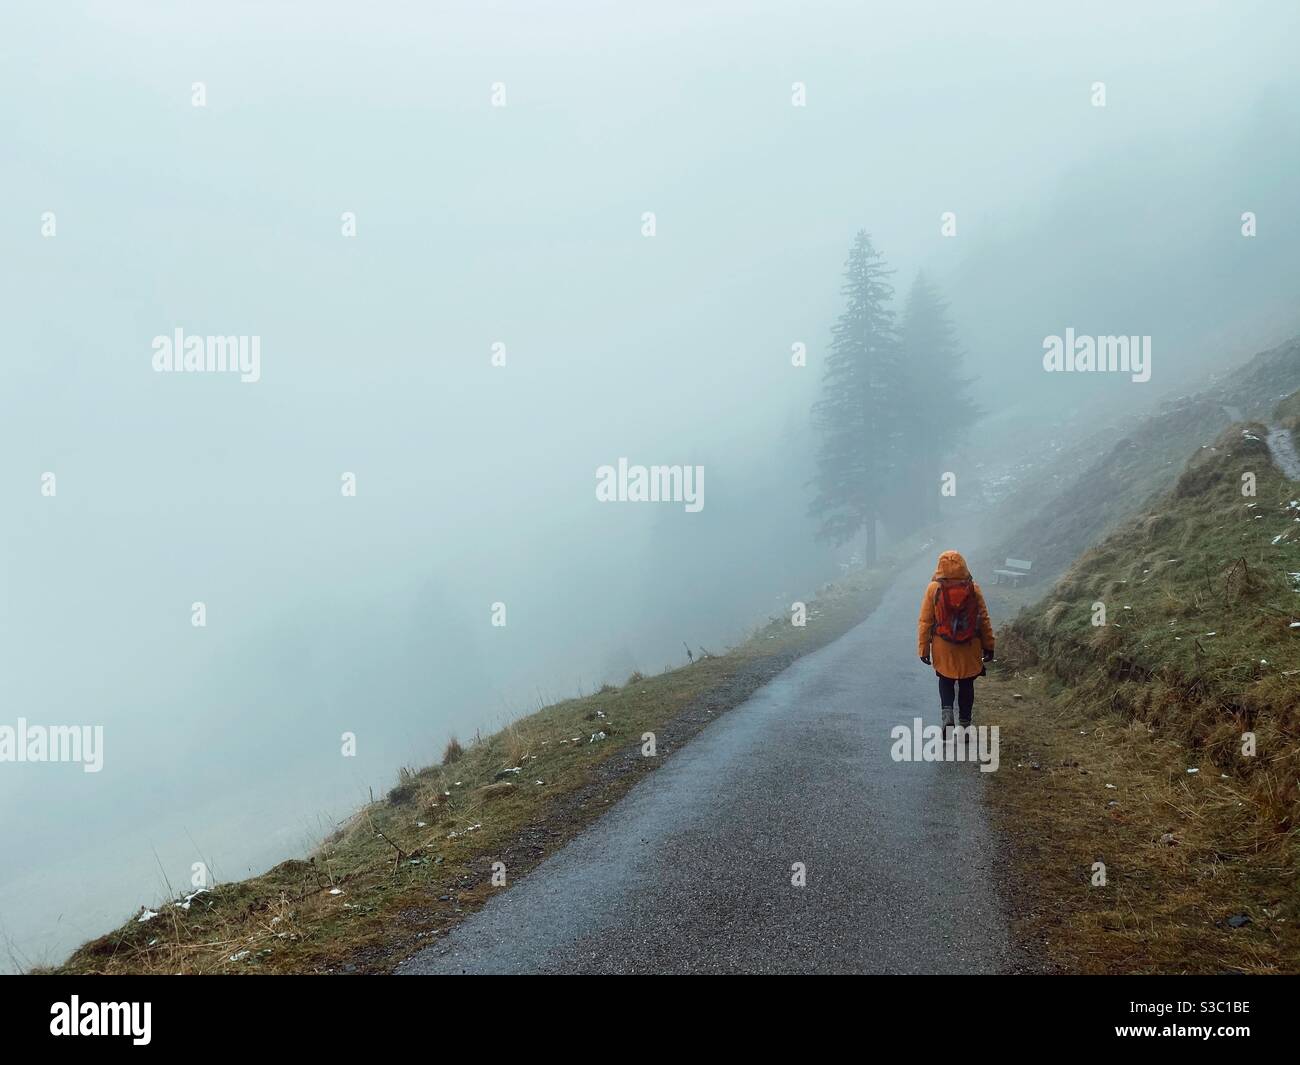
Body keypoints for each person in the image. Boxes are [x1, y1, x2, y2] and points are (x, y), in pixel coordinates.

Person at [916, 550, 995, 730]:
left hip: (943, 645)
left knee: (945, 679)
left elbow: (925, 621)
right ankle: (965, 724)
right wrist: (989, 645)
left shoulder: (933, 589)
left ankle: (947, 715)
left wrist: (923, 649)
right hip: (970, 645)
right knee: (967, 683)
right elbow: (983, 618)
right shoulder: (973, 588)